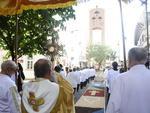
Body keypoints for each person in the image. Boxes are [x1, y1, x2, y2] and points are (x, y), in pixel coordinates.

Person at [106, 47, 150, 113]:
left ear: (129, 60)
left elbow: (112, 107)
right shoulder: (120, 78)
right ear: (145, 60)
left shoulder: (121, 79)